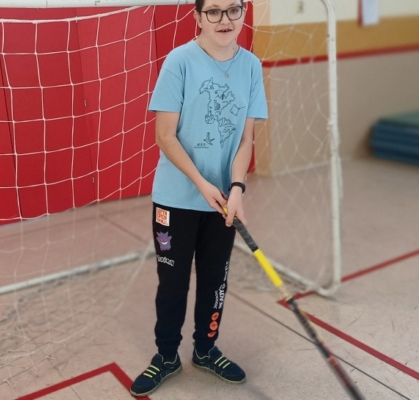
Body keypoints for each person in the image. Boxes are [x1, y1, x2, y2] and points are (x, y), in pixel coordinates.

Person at [130, 0, 267, 396]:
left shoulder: (251, 67)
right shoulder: (179, 62)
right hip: (176, 199)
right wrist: (201, 183)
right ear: (198, 17)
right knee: (172, 283)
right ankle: (167, 355)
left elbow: (245, 139)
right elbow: (164, 136)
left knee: (215, 280)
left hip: (223, 201)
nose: (224, 20)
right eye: (214, 11)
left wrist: (236, 187)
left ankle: (205, 350)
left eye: (233, 10)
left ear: (244, 12)